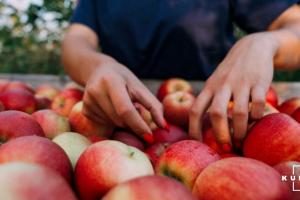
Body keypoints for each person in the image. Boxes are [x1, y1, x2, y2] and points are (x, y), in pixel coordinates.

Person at [62, 0, 300, 151]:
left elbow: (294, 24)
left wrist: (266, 42)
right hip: (120, 125)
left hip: (215, 123)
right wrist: (96, 65)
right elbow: (76, 42)